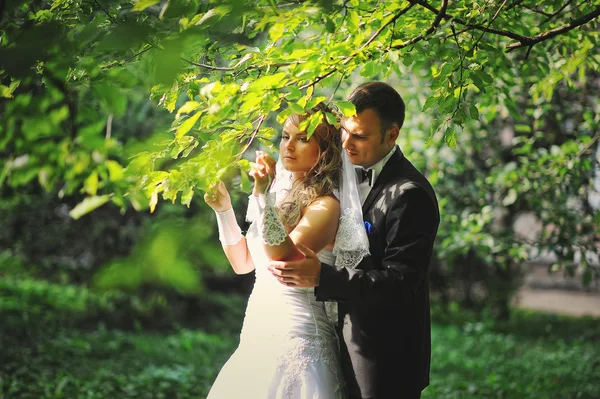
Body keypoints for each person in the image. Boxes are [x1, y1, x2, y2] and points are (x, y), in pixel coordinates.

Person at [268, 82, 440, 399]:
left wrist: (325, 277)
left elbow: (400, 283)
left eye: (359, 136)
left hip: (380, 359)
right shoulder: (335, 177)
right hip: (328, 345)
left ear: (392, 135)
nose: (346, 143)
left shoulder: (409, 194)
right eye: (344, 131)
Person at [204, 103, 369, 399]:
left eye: (302, 139)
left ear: (325, 151)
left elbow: (282, 259)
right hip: (256, 334)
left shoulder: (326, 205)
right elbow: (243, 264)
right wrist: (224, 210)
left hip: (298, 337)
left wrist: (262, 197)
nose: (288, 146)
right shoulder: (282, 199)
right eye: (285, 136)